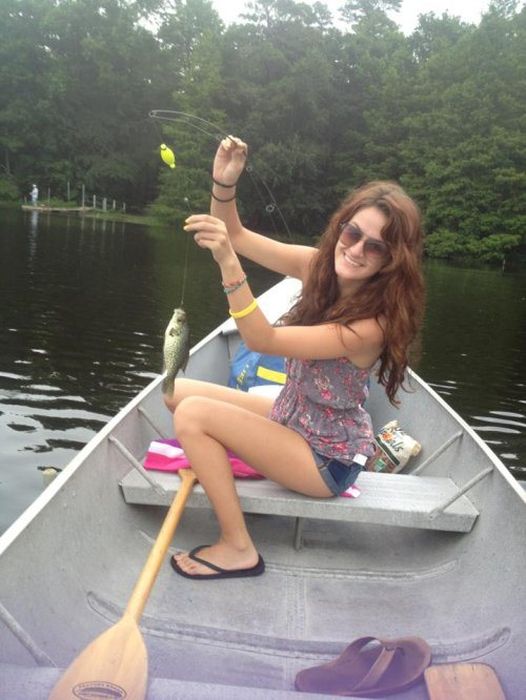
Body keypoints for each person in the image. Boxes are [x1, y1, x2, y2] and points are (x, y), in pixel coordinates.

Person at [164, 136, 425, 580]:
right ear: (341, 228)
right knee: (176, 390)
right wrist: (224, 184)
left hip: (327, 460)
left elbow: (261, 338)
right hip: (296, 415)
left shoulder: (371, 326)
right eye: (353, 233)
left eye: (376, 246)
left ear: (391, 260)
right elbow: (239, 234)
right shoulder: (317, 266)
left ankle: (238, 547)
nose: (357, 249)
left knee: (192, 416)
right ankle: (239, 452)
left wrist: (229, 264)